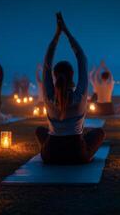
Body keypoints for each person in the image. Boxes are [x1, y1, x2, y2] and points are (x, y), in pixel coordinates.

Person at [35, 12, 105, 164]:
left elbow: (46, 63)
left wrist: (57, 35)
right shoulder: (79, 96)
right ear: (72, 75)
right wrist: (66, 32)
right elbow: (82, 58)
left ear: (54, 76)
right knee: (99, 133)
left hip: (50, 155)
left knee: (39, 131)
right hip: (77, 154)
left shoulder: (48, 96)